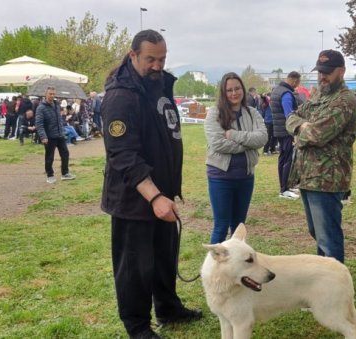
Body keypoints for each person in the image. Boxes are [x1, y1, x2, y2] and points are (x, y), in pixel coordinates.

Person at [101, 29, 202, 339]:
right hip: (135, 199)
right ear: (133, 55)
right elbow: (122, 154)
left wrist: (166, 192)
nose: (158, 65)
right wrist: (155, 196)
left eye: (162, 59)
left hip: (162, 194)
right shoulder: (121, 95)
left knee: (163, 257)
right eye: (150, 59)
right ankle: (138, 326)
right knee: (135, 267)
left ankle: (168, 307)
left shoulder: (158, 84)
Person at [285, 50, 356, 263]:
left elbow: (317, 134)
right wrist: (302, 126)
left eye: (327, 72)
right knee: (317, 232)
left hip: (328, 178)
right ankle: (324, 277)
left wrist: (300, 131)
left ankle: (335, 284)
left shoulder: (345, 101)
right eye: (320, 71)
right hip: (308, 175)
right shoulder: (319, 94)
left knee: (328, 237)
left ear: (342, 71)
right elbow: (292, 117)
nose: (322, 76)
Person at [205, 72, 267, 244]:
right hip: (220, 178)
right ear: (223, 93)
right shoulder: (214, 113)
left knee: (239, 227)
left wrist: (233, 134)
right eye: (229, 90)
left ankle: (237, 269)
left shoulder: (252, 113)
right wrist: (249, 142)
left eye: (237, 88)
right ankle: (212, 269)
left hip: (245, 177)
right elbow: (217, 143)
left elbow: (262, 138)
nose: (234, 93)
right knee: (221, 226)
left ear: (243, 89)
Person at [35, 87, 76, 184]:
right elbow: (39, 124)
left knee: (65, 153)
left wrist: (62, 129)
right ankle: (50, 175)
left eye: (53, 94)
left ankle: (65, 173)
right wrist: (43, 136)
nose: (52, 96)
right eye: (50, 94)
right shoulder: (41, 108)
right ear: (46, 94)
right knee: (50, 157)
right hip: (49, 136)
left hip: (60, 134)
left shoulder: (57, 105)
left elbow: (59, 119)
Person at [271, 71, 302, 199]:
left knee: (283, 158)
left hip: (278, 129)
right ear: (294, 81)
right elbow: (289, 115)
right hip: (286, 130)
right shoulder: (286, 94)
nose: (297, 86)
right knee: (288, 158)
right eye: (298, 83)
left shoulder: (276, 90)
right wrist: (294, 131)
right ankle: (284, 189)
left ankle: (285, 186)